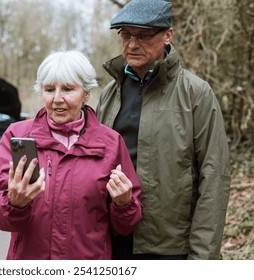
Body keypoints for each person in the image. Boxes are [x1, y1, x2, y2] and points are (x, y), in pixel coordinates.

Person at [96, 0, 230, 260]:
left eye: (143, 36)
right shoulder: (109, 94)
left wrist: (202, 257)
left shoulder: (195, 93)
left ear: (168, 35)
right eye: (126, 35)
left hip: (170, 247)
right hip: (113, 241)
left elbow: (215, 177)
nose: (132, 44)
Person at [0, 50, 142, 260]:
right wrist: (15, 203)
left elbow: (125, 227)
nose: (57, 99)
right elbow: (0, 218)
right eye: (49, 89)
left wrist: (124, 204)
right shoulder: (17, 136)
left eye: (68, 89)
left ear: (85, 93)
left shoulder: (111, 143)